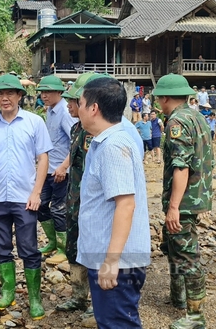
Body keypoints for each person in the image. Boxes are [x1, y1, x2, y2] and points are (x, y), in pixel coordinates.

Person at [0, 74, 52, 320]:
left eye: (9, 93)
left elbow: (43, 159)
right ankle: (8, 290)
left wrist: (37, 193)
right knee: (1, 247)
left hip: (24, 197)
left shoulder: (34, 122)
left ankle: (35, 298)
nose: (4, 98)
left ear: (20, 96)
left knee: (29, 248)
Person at [76, 76, 151, 328]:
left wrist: (111, 261)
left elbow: (126, 204)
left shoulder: (112, 146)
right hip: (110, 256)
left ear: (93, 108)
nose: (77, 109)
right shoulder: (111, 141)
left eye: (80, 103)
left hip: (115, 260)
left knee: (117, 323)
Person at [153, 73, 214, 329]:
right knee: (175, 248)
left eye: (158, 97)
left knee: (187, 255)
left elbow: (181, 166)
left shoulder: (176, 122)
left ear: (165, 97)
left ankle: (196, 317)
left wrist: (174, 207)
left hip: (185, 199)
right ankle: (178, 298)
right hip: (197, 195)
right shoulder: (196, 116)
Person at [54, 72, 96, 328]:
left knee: (94, 251)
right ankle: (79, 296)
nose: (68, 105)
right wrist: (62, 166)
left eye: (72, 101)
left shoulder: (94, 131)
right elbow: (74, 156)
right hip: (74, 198)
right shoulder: (76, 127)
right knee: (74, 248)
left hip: (90, 202)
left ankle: (97, 303)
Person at [35, 75, 77, 266]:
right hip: (48, 169)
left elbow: (74, 141)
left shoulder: (65, 113)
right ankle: (52, 241)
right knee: (41, 205)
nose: (44, 95)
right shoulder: (50, 111)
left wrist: (64, 166)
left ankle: (63, 248)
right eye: (42, 92)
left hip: (61, 170)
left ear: (59, 93)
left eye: (48, 92)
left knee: (59, 209)